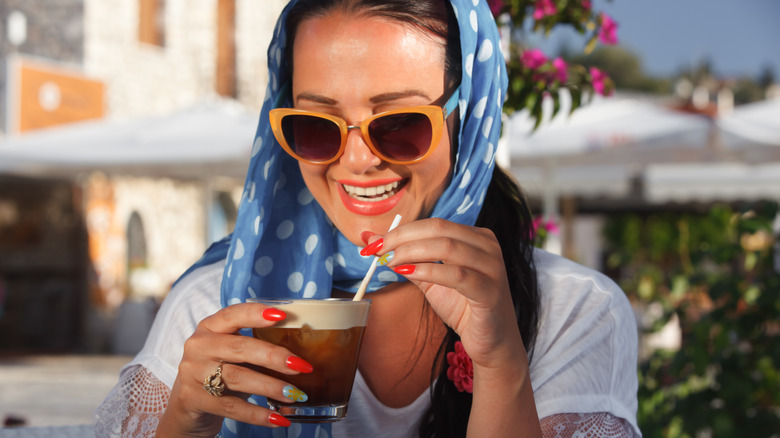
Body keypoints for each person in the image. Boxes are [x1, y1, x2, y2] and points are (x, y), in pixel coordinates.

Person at [95, 0, 641, 437]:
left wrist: (500, 364)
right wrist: (184, 424)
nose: (357, 160)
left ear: (470, 119)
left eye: (400, 123)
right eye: (316, 125)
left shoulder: (573, 310)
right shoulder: (214, 305)